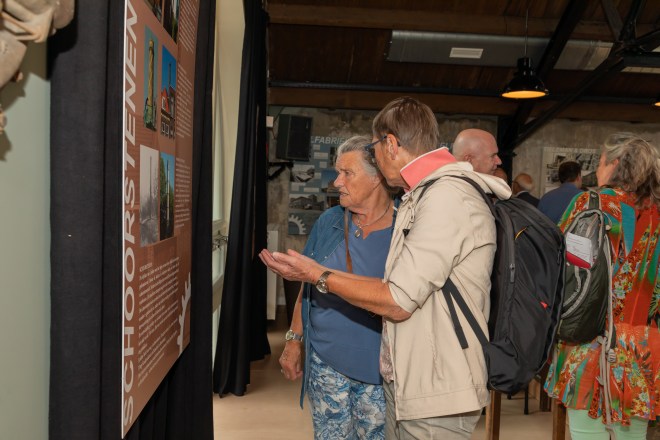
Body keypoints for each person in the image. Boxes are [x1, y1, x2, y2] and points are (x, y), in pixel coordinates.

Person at [261, 97, 511, 439]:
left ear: (390, 144)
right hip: (413, 384)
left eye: (374, 148)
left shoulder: (445, 198)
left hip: (436, 390)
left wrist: (316, 274)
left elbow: (397, 300)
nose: (375, 157)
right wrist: (311, 274)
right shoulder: (423, 194)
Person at [280, 135, 397, 439]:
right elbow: (307, 284)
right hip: (325, 363)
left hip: (381, 372)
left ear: (377, 178)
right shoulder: (329, 221)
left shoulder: (405, 228)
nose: (336, 183)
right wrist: (293, 341)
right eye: (337, 172)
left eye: (347, 173)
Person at [544, 132, 660, 440]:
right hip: (643, 345)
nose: (596, 169)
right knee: (632, 436)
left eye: (601, 161)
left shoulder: (591, 204)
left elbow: (564, 267)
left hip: (591, 338)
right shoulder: (658, 214)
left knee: (588, 433)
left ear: (616, 164)